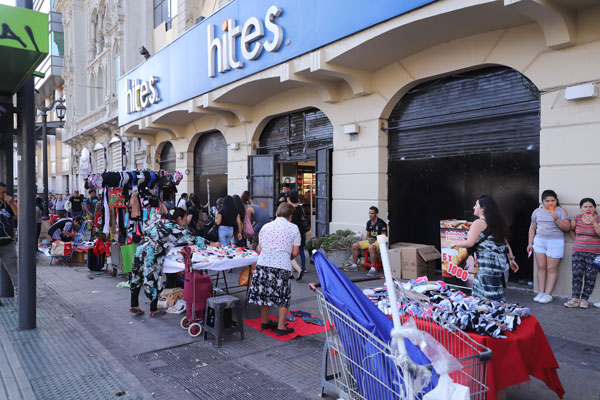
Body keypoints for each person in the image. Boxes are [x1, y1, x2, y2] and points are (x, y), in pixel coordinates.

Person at [129, 208, 215, 317]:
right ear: (179, 219)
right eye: (185, 218)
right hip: (152, 252)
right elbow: (194, 238)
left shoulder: (162, 221)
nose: (186, 221)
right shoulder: (176, 228)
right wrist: (212, 244)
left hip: (141, 247)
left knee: (136, 275)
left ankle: (134, 305)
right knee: (154, 278)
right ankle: (154, 309)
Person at [451, 195, 519, 302]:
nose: (474, 207)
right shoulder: (497, 223)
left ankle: (504, 315)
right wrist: (511, 259)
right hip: (499, 264)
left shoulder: (478, 223)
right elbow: (505, 243)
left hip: (488, 266)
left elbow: (470, 243)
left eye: (476, 205)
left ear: (483, 208)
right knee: (479, 292)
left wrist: (455, 244)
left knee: (493, 297)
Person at [248, 202, 300, 336]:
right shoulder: (293, 228)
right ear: (290, 216)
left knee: (265, 294)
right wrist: (287, 256)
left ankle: (265, 322)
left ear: (277, 213)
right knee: (282, 296)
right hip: (281, 265)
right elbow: (295, 252)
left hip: (263, 264)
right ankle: (281, 327)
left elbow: (260, 248)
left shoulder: (266, 227)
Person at [527, 190, 571, 304]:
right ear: (542, 202)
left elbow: (567, 227)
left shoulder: (561, 211)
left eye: (553, 200)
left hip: (555, 242)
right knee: (541, 266)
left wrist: (557, 219)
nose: (550, 203)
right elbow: (532, 228)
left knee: (552, 269)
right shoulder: (537, 211)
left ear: (556, 201)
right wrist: (530, 243)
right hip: (540, 241)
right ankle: (541, 292)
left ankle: (548, 293)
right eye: (547, 201)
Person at [564, 198, 600, 310]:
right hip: (578, 251)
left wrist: (594, 222)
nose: (588, 209)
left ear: (594, 207)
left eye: (590, 206)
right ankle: (575, 299)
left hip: (594, 253)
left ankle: (584, 299)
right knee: (577, 275)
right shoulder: (577, 218)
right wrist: (577, 240)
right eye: (585, 207)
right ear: (581, 208)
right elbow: (570, 230)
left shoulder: (598, 219)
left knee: (590, 276)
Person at [345, 206, 387, 276]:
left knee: (371, 247)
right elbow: (368, 235)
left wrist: (380, 248)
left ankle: (373, 269)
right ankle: (354, 265)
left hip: (379, 241)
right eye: (369, 213)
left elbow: (383, 236)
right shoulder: (369, 223)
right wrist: (364, 245)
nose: (370, 215)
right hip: (371, 240)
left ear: (376, 214)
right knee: (355, 245)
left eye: (372, 213)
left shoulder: (381, 223)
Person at [0, 182, 18, 300]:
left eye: (5, 192)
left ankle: (21, 299)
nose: (4, 194)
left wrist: (12, 204)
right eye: (1, 192)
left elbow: (19, 216)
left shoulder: (7, 204)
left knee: (15, 273)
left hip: (7, 243)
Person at [288, 191, 308, 281]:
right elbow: (303, 218)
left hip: (291, 231)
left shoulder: (289, 209)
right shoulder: (300, 208)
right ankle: (300, 269)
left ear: (289, 198)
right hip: (300, 230)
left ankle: (297, 270)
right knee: (301, 250)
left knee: (290, 253)